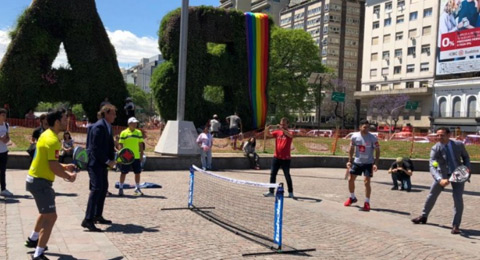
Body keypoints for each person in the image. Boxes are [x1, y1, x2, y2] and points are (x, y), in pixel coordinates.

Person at [24, 109, 77, 260]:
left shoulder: (46, 134)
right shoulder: (52, 140)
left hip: (35, 179)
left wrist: (64, 167)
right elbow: (53, 166)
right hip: (40, 182)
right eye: (65, 118)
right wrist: (68, 176)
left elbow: (49, 162)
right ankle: (38, 254)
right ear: (57, 121)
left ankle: (33, 239)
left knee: (44, 213)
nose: (67, 121)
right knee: (51, 217)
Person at [411, 127, 470, 235]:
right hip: (442, 174)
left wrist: (466, 170)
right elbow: (432, 165)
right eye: (437, 135)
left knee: (458, 199)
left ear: (448, 135)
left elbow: (466, 158)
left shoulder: (458, 145)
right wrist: (439, 179)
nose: (439, 137)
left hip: (458, 173)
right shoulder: (435, 148)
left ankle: (456, 225)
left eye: (442, 135)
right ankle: (423, 216)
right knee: (432, 195)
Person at [82, 104, 116, 232]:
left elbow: (108, 145)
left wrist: (111, 160)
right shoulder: (98, 127)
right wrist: (108, 161)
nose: (115, 116)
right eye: (113, 113)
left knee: (103, 188)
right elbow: (95, 149)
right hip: (95, 163)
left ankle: (97, 215)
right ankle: (88, 219)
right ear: (106, 113)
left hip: (103, 164)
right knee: (96, 189)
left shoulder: (108, 126)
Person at [344, 120, 380, 212]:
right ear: (360, 127)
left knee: (367, 182)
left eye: (368, 127)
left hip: (368, 163)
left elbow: (377, 150)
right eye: (365, 127)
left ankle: (367, 202)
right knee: (350, 179)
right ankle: (352, 197)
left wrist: (376, 163)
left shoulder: (373, 138)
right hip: (357, 162)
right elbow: (351, 149)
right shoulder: (354, 136)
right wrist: (349, 161)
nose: (367, 129)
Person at [263, 117, 294, 198]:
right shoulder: (277, 132)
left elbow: (290, 135)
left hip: (286, 159)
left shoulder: (290, 132)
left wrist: (283, 129)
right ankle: (271, 191)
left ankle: (290, 192)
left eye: (284, 124)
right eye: (281, 124)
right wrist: (267, 129)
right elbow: (268, 134)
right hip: (276, 157)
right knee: (272, 174)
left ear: (287, 124)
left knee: (287, 175)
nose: (282, 125)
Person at [118, 117, 145, 196]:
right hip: (126, 156)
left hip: (136, 156)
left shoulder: (138, 132)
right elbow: (121, 144)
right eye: (133, 123)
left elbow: (140, 144)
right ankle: (121, 187)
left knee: (137, 172)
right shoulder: (123, 133)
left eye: (136, 123)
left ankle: (137, 188)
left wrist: (141, 154)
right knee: (123, 172)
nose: (135, 124)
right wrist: (120, 155)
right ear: (129, 124)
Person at [0, 108, 13, 197]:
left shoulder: (6, 125)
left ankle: (3, 189)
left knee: (3, 171)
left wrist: (6, 139)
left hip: (4, 151)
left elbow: (8, 137)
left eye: (5, 115)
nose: (5, 117)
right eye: (3, 115)